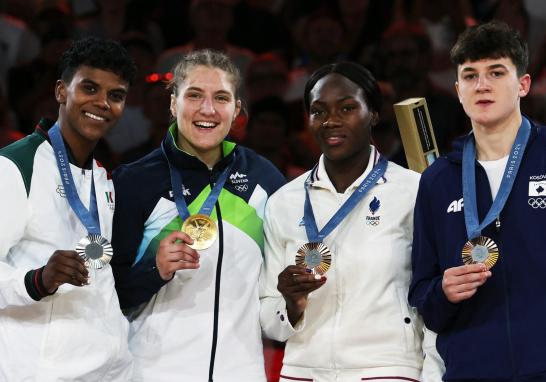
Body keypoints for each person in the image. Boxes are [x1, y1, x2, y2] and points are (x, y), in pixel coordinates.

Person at [111, 49, 285, 381]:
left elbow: (279, 281)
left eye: (221, 98)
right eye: (194, 95)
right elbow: (107, 295)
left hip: (241, 372)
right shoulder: (134, 181)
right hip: (154, 372)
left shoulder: (265, 181)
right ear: (173, 103)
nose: (207, 109)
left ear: (237, 110)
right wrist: (154, 269)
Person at [260, 61, 424, 382]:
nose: (331, 121)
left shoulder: (412, 191)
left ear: (373, 114)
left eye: (347, 108)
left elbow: (430, 296)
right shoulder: (284, 201)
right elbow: (270, 321)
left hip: (387, 369)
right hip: (302, 370)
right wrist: (291, 304)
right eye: (318, 111)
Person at [409, 20, 546, 380]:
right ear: (457, 89)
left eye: (496, 72)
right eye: (470, 76)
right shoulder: (436, 180)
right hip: (472, 370)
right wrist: (442, 291)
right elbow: (422, 294)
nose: (482, 85)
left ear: (523, 84)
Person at [0, 36, 135, 381]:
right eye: (90, 88)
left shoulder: (103, 178)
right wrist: (37, 280)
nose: (102, 103)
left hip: (106, 370)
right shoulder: (15, 167)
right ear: (62, 91)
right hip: (37, 371)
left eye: (115, 95)